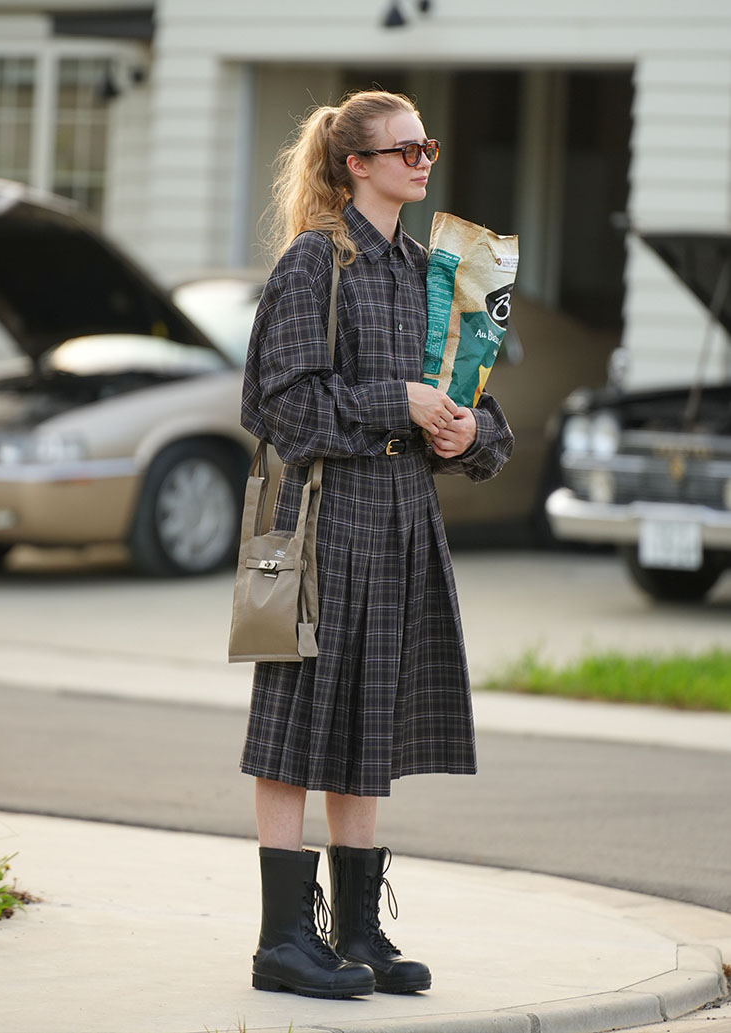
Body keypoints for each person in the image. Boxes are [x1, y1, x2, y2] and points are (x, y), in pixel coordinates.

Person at [239, 89, 514, 1000]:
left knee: (370, 721)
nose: (423, 160)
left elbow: (478, 405)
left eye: (427, 145)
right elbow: (276, 405)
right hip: (321, 517)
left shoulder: (438, 274)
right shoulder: (315, 263)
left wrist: (468, 436)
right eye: (404, 148)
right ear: (356, 162)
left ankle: (357, 934)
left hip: (402, 517)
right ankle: (284, 939)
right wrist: (391, 402)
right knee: (294, 722)